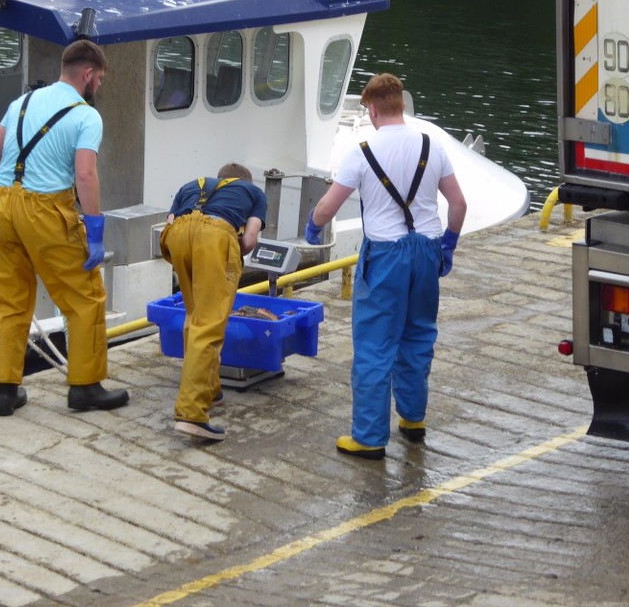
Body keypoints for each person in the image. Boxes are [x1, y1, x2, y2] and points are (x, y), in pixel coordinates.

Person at [0, 39, 129, 417]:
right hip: (46, 210)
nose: (98, 87)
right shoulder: (85, 116)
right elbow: (85, 174)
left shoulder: (21, 103)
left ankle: (5, 389)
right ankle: (85, 386)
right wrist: (95, 229)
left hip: (1, 205)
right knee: (83, 296)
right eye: (100, 80)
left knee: (6, 297)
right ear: (89, 74)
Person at [306, 73, 466, 459]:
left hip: (385, 256)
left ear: (373, 109)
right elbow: (458, 204)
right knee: (418, 336)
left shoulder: (362, 151)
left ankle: (369, 437)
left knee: (375, 345)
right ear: (403, 106)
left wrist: (314, 227)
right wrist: (448, 244)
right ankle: (412, 420)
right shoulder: (433, 145)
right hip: (426, 251)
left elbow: (328, 207)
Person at [160, 163, 268, 441]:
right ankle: (192, 414)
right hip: (215, 236)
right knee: (209, 324)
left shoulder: (191, 185)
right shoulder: (254, 193)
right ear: (244, 181)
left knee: (195, 314)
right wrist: (232, 249)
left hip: (178, 236)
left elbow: (170, 222)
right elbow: (250, 241)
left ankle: (210, 389)